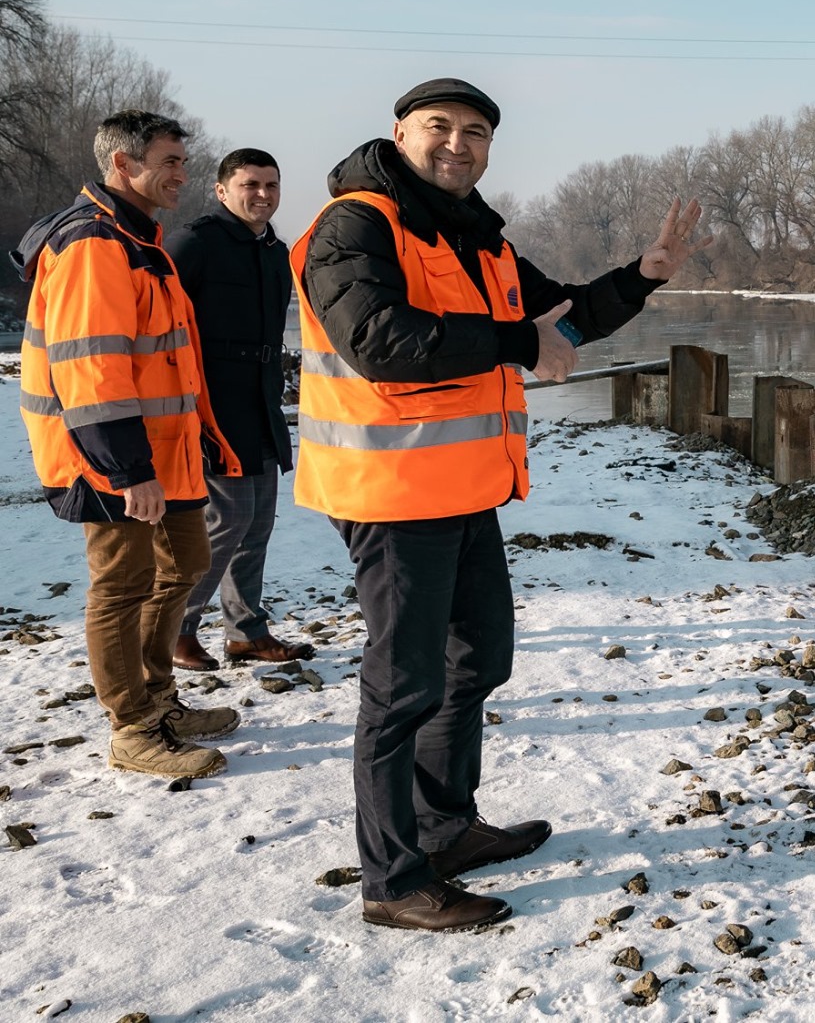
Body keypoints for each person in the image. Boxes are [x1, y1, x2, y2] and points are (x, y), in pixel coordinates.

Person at [294, 77, 702, 932]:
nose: (458, 144)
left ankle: (445, 829)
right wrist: (522, 342)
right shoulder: (357, 224)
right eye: (438, 127)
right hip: (392, 491)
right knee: (401, 687)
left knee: (476, 659)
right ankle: (394, 879)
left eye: (475, 132)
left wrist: (643, 276)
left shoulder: (478, 238)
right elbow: (381, 343)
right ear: (400, 131)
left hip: (463, 490)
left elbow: (562, 320)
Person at [12, 110, 246, 779]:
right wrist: (127, 468)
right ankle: (132, 725)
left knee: (189, 558)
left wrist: (197, 438)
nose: (183, 173)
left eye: (181, 161)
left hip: (162, 452)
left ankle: (157, 695)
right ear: (123, 164)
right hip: (108, 456)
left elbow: (165, 361)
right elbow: (93, 368)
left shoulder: (138, 239)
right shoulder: (93, 244)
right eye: (170, 161)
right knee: (121, 584)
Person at [167, 148, 315, 670]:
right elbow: (160, 323)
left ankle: (245, 633)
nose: (263, 195)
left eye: (272, 185)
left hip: (262, 400)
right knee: (226, 518)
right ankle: (176, 628)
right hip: (210, 402)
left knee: (257, 524)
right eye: (250, 184)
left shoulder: (277, 250)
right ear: (222, 189)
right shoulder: (196, 242)